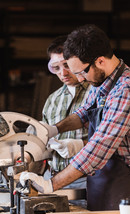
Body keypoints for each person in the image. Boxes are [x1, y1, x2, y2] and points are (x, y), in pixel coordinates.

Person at [20, 24, 130, 214]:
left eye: (82, 72)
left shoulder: (128, 90)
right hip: (101, 180)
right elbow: (84, 113)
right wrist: (53, 130)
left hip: (125, 186)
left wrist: (51, 184)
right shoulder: (101, 83)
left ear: (100, 61)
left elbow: (100, 146)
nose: (81, 79)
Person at [41, 35, 91, 189]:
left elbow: (111, 141)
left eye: (67, 65)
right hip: (53, 177)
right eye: (56, 68)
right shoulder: (52, 100)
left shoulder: (96, 94)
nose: (63, 74)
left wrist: (80, 145)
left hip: (86, 180)